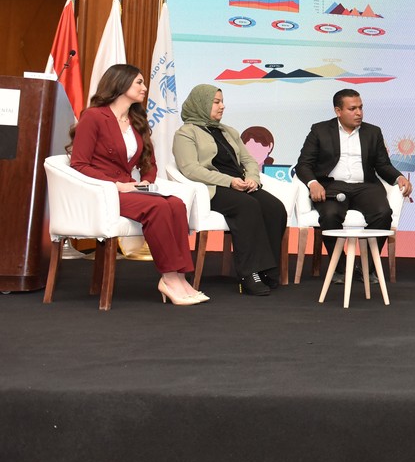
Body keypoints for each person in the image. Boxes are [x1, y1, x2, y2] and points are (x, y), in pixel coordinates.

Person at [68, 64, 203, 306]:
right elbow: (79, 164)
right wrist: (116, 185)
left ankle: (181, 278)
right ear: (120, 83)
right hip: (103, 192)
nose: (144, 87)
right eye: (139, 82)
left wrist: (146, 183)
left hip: (129, 190)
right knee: (158, 208)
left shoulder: (136, 120)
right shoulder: (94, 117)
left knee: (176, 204)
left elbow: (149, 163)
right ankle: (169, 278)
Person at [173, 85, 288, 296]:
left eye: (222, 101)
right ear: (201, 104)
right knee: (247, 206)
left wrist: (252, 178)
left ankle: (267, 269)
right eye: (216, 102)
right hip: (211, 188)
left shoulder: (228, 131)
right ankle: (249, 273)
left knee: (275, 208)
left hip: (239, 184)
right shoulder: (185, 133)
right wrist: (229, 181)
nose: (222, 106)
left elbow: (248, 160)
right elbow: (190, 169)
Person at [295, 89, 413, 282]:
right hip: (332, 186)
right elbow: (303, 164)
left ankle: (367, 267)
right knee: (330, 215)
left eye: (360, 107)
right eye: (352, 109)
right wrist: (313, 183)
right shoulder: (319, 130)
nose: (359, 113)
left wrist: (398, 177)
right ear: (338, 111)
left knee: (383, 214)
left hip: (365, 186)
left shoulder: (373, 132)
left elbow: (382, 165)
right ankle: (340, 268)